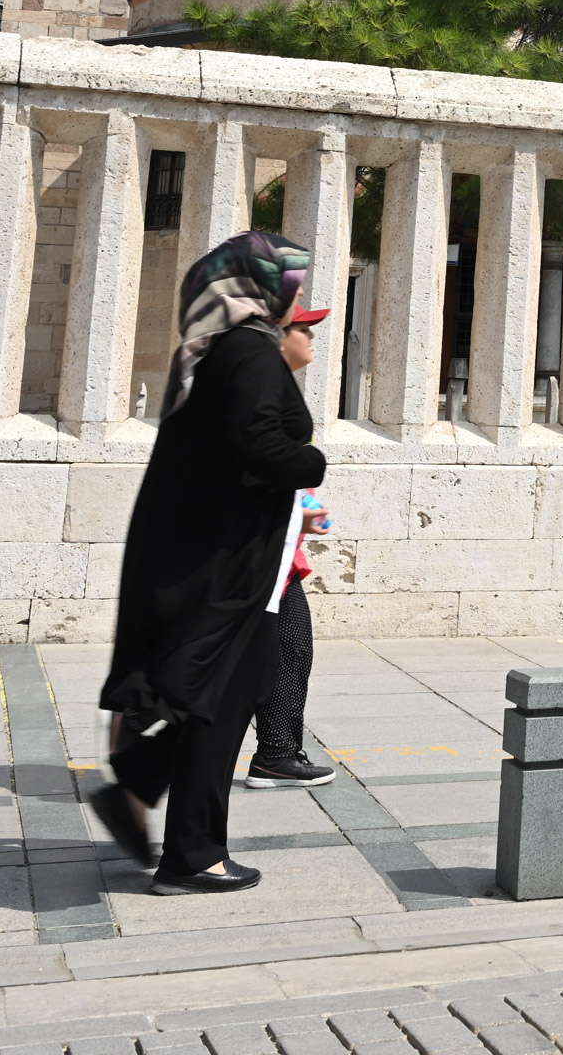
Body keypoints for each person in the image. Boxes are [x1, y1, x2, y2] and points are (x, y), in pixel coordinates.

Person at [91, 232, 329, 893]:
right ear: (259, 284)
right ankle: (193, 852)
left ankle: (141, 792)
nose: (300, 294)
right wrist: (311, 461)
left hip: (211, 553)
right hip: (230, 563)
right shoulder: (253, 353)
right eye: (292, 281)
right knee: (223, 695)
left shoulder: (216, 351)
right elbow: (259, 444)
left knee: (228, 691)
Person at [247, 303, 338, 788]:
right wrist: (294, 513)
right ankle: (274, 753)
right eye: (305, 329)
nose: (313, 338)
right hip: (259, 554)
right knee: (283, 652)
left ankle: (276, 752)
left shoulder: (275, 391)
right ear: (279, 337)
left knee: (289, 651)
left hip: (279, 550)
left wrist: (301, 512)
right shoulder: (260, 393)